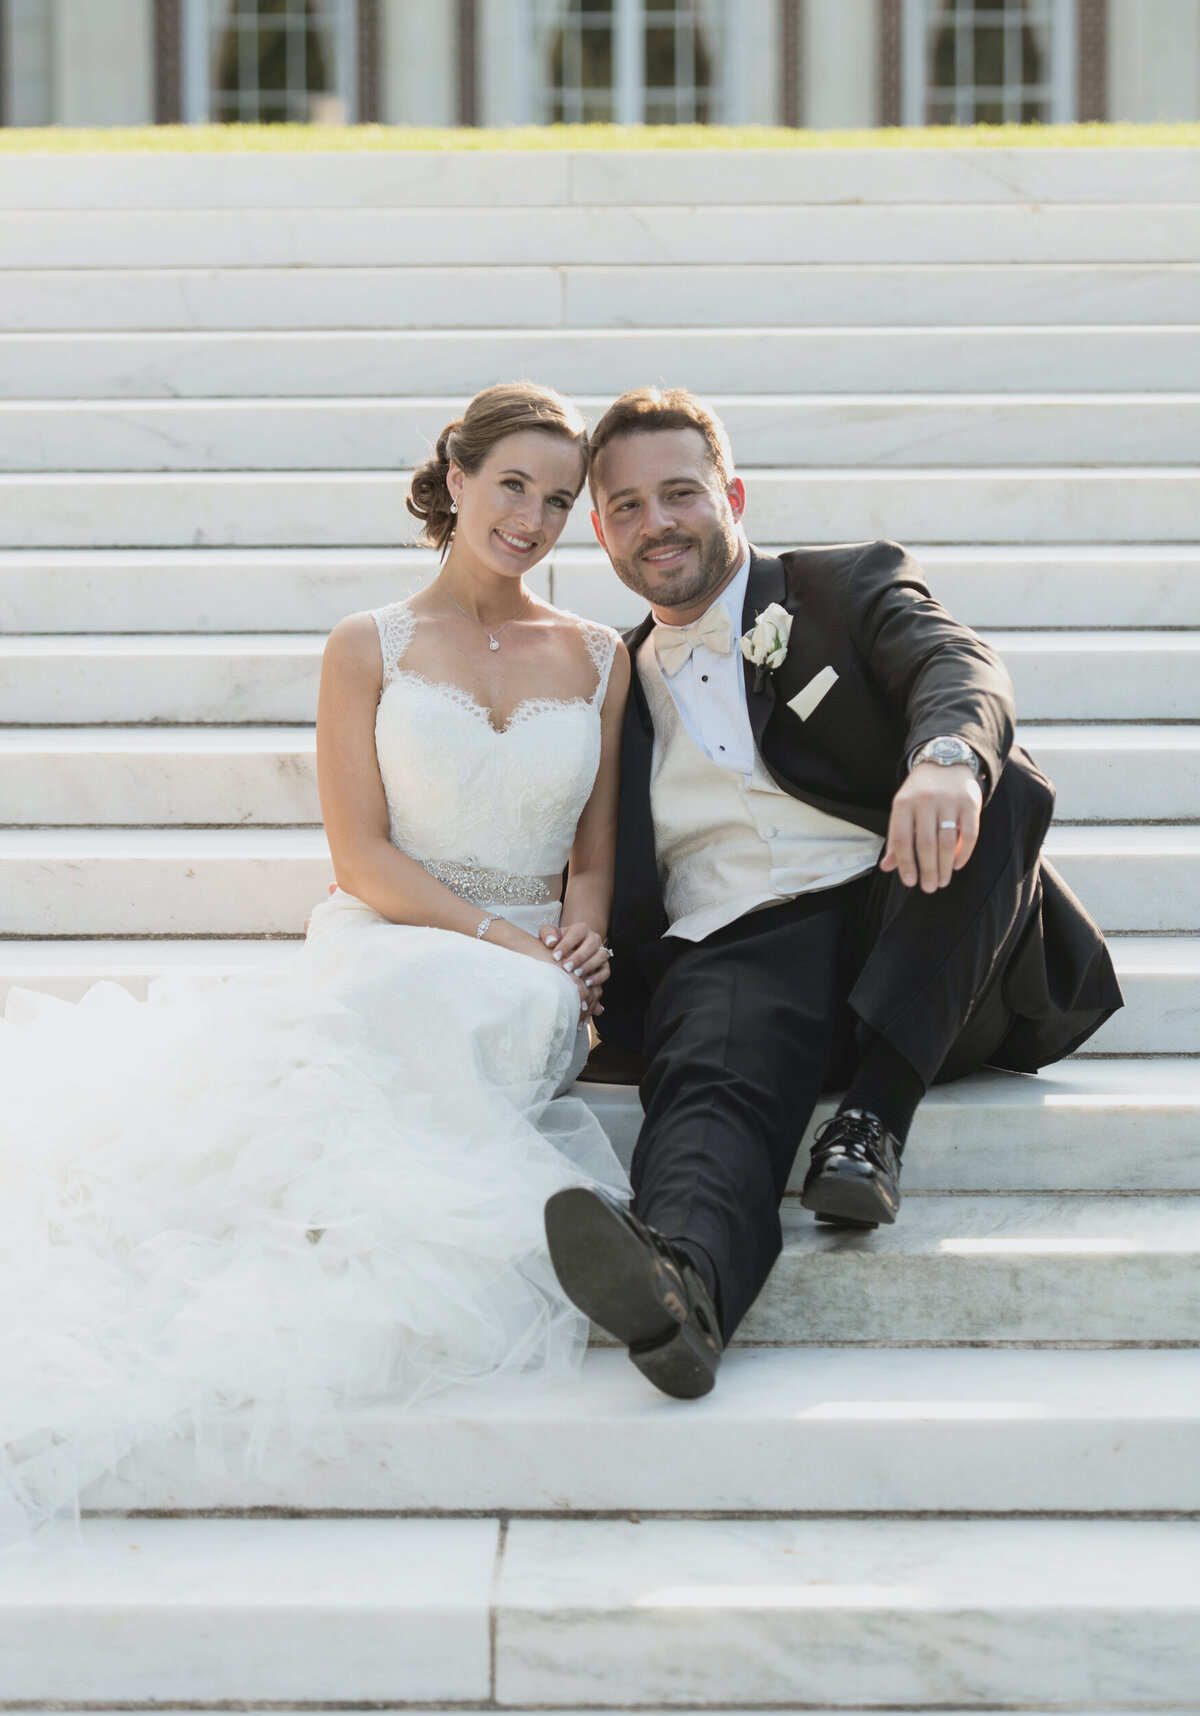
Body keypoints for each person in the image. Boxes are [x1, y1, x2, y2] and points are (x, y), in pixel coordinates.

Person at [0, 383, 631, 1532]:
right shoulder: (366, 646)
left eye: (558, 500)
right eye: (512, 489)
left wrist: (578, 934)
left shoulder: (597, 655)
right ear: (456, 480)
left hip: (535, 961)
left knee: (478, 1012)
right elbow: (359, 856)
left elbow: (594, 850)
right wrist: (501, 939)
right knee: (395, 1000)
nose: (533, 521)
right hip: (398, 929)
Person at [543, 387, 1122, 1403]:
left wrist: (944, 756)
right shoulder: (607, 680)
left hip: (904, 913)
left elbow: (958, 664)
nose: (656, 523)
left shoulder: (842, 586)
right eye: (626, 506)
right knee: (711, 1078)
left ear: (733, 494)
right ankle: (682, 1287)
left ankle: (871, 1122)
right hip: (732, 947)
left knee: (1006, 780)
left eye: (679, 492)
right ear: (598, 527)